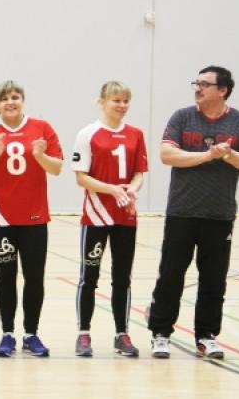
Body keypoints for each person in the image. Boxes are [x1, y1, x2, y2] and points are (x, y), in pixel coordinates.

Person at [147, 66, 239, 359]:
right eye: (196, 83)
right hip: (182, 213)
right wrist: (207, 155)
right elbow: (166, 154)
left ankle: (206, 336)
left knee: (213, 279)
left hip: (219, 216)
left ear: (222, 90)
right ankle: (160, 333)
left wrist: (229, 154)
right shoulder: (182, 117)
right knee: (170, 275)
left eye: (205, 84)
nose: (197, 88)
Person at [0, 81, 63, 357]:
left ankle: (31, 334)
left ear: (23, 100)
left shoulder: (41, 128)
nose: (11, 102)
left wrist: (41, 155)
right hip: (1, 218)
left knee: (34, 277)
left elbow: (56, 169)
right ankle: (7, 334)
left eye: (16, 97)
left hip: (34, 216)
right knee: (6, 276)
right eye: (5, 98)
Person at [71, 80, 148, 357]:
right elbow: (81, 177)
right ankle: (83, 334)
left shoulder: (136, 134)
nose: (122, 106)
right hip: (96, 216)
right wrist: (112, 189)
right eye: (116, 100)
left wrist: (131, 189)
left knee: (122, 278)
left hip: (125, 217)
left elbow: (139, 172)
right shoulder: (88, 134)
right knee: (88, 277)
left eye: (126, 101)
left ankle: (122, 334)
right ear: (102, 101)